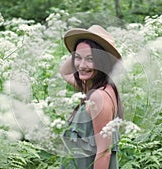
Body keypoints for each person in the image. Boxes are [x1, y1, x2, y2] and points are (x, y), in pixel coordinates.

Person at [59, 25, 123, 169]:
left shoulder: (98, 97)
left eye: (90, 59)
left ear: (103, 61)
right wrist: (85, 44)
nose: (82, 66)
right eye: (78, 58)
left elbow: (103, 153)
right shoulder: (93, 87)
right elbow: (64, 72)